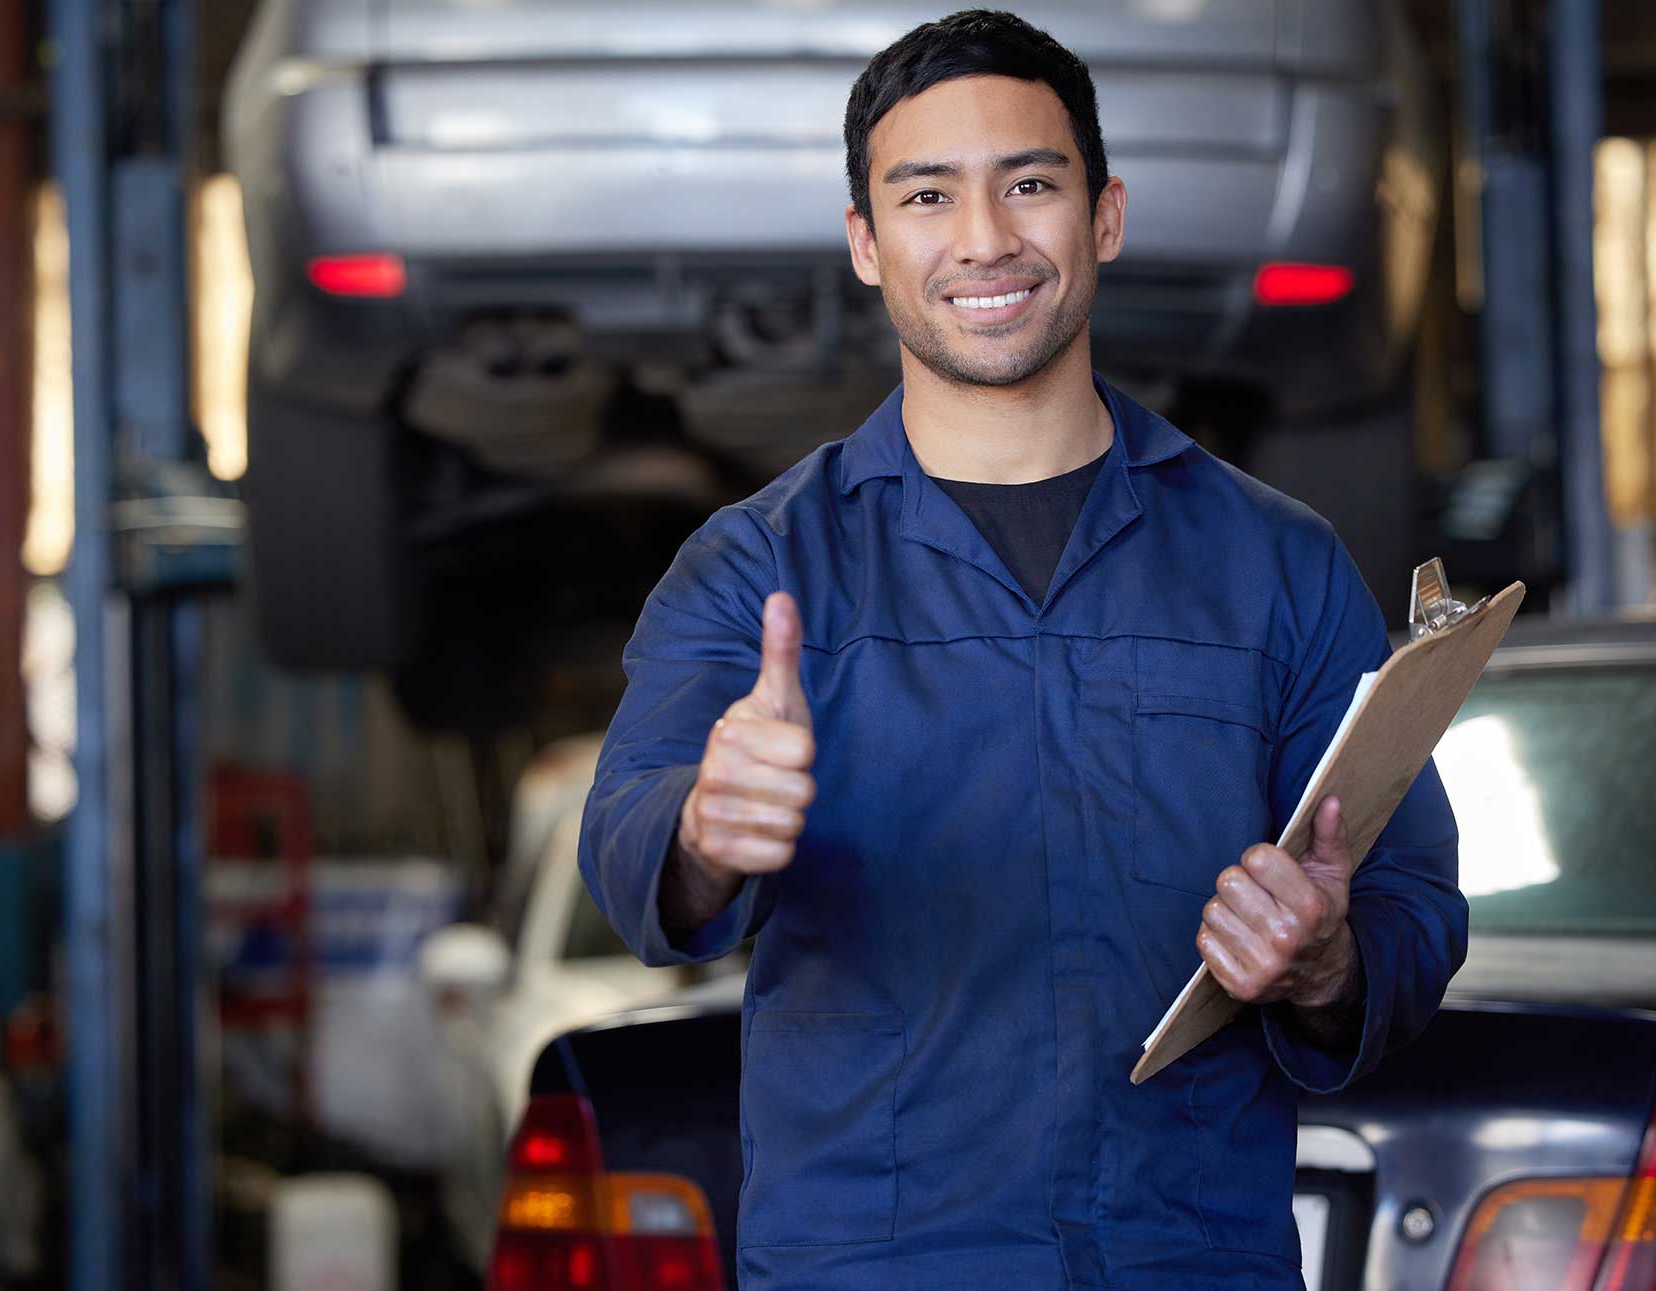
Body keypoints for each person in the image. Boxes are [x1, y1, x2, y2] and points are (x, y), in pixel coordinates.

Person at [578, 10, 1465, 1289]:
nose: (984, 239)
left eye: (1030, 185)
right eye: (926, 195)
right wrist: (706, 832)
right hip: (876, 1264)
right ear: (866, 246)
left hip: (1189, 1258)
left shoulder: (1275, 564)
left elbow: (1412, 906)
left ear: (1102, 217)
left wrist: (1326, 960)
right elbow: (628, 843)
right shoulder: (759, 568)